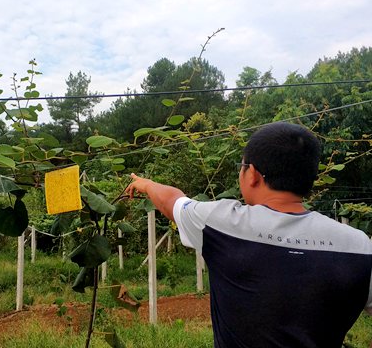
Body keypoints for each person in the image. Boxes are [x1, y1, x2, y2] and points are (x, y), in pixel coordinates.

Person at [125, 122, 372, 348]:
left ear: (251, 174)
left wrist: (145, 184)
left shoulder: (221, 224)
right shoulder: (359, 245)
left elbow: (172, 201)